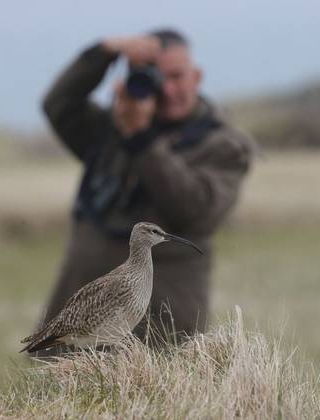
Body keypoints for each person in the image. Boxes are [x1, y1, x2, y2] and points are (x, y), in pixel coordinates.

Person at [39, 28, 253, 349]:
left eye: (176, 76)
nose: (166, 89)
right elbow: (58, 105)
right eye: (154, 79)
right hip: (78, 332)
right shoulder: (112, 130)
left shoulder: (223, 146)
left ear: (196, 77)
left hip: (160, 333)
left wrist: (142, 140)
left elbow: (195, 210)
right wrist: (105, 52)